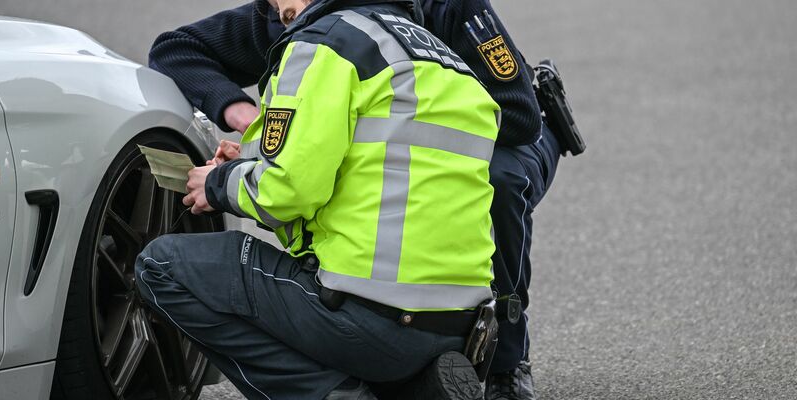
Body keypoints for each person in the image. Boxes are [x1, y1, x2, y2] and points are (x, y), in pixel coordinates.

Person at [148, 0, 563, 398]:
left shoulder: (330, 38)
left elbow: (289, 193)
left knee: (162, 266)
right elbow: (178, 49)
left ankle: (505, 363)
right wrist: (263, 137)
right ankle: (417, 385)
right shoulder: (442, 60)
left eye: (289, 13)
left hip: (370, 310)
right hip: (459, 324)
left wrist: (222, 182)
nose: (286, 23)